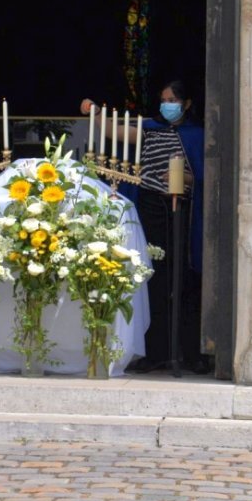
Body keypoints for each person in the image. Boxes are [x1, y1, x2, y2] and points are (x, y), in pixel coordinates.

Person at [80, 80, 206, 373]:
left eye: (173, 99)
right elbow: (113, 130)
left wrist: (186, 179)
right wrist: (95, 112)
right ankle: (156, 352)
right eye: (163, 99)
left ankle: (190, 352)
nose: (167, 104)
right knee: (155, 278)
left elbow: (204, 173)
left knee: (185, 278)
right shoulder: (151, 128)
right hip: (152, 207)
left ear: (186, 103)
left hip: (183, 211)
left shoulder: (197, 135)